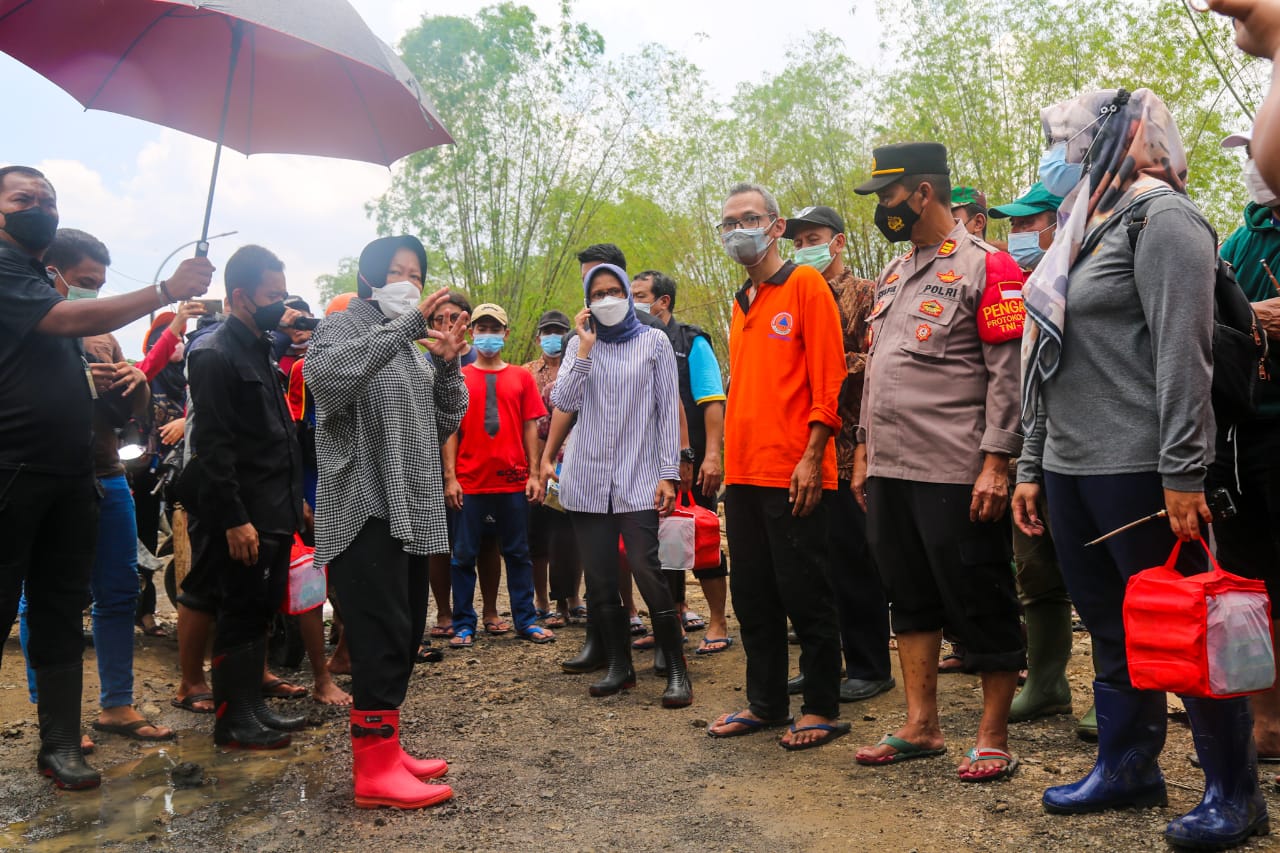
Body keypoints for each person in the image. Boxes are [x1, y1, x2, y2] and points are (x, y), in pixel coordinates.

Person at [1013, 88, 1268, 849]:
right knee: (1109, 623)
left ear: (1117, 137)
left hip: (1142, 467)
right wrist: (1031, 460)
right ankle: (1127, 765)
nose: (1061, 155)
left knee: (1186, 630)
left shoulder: (1165, 219)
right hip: (1070, 465)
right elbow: (1047, 359)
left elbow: (1180, 356)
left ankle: (1235, 792)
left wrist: (1184, 470)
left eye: (1070, 140)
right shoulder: (1079, 227)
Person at [0, 165, 212, 789]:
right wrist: (166, 291)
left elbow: (103, 391)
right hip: (11, 470)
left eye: (48, 199)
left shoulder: (42, 279)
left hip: (75, 475)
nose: (39, 207)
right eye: (22, 198)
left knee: (65, 607)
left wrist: (131, 387)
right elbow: (62, 320)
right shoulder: (10, 276)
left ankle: (61, 745)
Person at [850, 143, 1026, 781]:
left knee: (979, 593)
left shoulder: (992, 268)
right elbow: (878, 373)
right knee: (909, 596)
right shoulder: (897, 272)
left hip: (956, 468)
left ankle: (992, 734)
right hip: (892, 469)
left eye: (888, 197)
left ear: (922, 194)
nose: (882, 209)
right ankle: (921, 725)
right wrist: (865, 451)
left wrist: (998, 462)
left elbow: (1009, 374)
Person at [305, 234, 467, 810]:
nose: (409, 283)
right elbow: (326, 383)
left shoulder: (411, 349)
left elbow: (446, 417)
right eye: (397, 272)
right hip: (363, 506)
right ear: (371, 279)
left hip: (410, 508)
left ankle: (386, 747)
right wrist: (405, 328)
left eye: (417, 274)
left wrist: (448, 368)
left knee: (402, 631)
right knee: (375, 636)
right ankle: (372, 774)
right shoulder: (344, 328)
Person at [16, 229, 176, 746]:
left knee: (119, 589)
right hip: (43, 476)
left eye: (100, 285)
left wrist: (136, 383)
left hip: (106, 473)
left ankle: (117, 704)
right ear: (52, 274)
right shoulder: (25, 326)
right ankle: (53, 714)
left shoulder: (103, 335)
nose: (94, 295)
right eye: (86, 283)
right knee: (44, 597)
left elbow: (131, 413)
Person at [705, 182, 847, 750]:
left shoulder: (805, 283)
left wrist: (814, 456)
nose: (738, 229)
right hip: (743, 474)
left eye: (749, 218)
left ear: (775, 225)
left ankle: (820, 706)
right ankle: (764, 702)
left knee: (807, 592)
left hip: (793, 471)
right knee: (753, 597)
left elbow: (829, 376)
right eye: (728, 222)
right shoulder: (741, 302)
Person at [542, 263, 691, 707]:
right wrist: (584, 352)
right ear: (587, 301)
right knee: (602, 576)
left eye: (614, 290)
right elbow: (563, 402)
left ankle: (677, 668)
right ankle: (619, 667)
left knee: (648, 567)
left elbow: (668, 410)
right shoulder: (577, 345)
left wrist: (668, 472)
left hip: (638, 475)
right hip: (587, 478)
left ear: (627, 293)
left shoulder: (654, 342)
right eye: (598, 292)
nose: (607, 299)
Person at [184, 244, 307, 751]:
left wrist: (295, 498)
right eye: (273, 296)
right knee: (237, 609)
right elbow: (214, 445)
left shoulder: (261, 346)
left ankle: (253, 708)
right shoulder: (214, 353)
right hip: (244, 513)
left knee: (259, 609)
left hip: (275, 506)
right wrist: (235, 518)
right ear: (239, 296)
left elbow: (277, 433)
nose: (283, 305)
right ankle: (233, 720)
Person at [986, 182, 1097, 732]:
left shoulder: (1083, 277)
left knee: (1096, 576)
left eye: (1030, 223)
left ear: (1059, 222)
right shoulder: (1022, 288)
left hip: (1086, 451)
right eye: (1014, 225)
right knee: (1034, 571)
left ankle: (1113, 688)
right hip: (1034, 452)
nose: (1020, 235)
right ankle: (1048, 682)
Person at [782, 205, 894, 703]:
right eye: (799, 238)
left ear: (839, 241)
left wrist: (823, 362)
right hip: (800, 451)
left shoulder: (866, 293)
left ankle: (870, 665)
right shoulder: (789, 295)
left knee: (855, 565)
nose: (806, 245)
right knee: (813, 570)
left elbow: (881, 357)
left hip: (851, 448)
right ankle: (823, 663)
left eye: (815, 236)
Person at [1209, 128, 1280, 780]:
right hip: (1245, 437)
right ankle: (1266, 722)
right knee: (1250, 582)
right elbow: (1212, 318)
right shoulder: (1238, 241)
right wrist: (1248, 320)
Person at [630, 271, 731, 653]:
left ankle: (719, 622)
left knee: (700, 535)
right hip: (648, 464)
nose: (633, 302)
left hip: (692, 461)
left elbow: (711, 401)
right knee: (663, 541)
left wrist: (710, 456)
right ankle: (670, 618)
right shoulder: (635, 338)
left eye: (640, 295)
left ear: (663, 302)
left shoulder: (692, 342)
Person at [445, 303, 554, 647]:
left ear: (506, 334)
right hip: (470, 481)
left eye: (495, 329)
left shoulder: (521, 377)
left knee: (518, 552)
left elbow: (531, 428)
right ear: (471, 333)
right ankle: (464, 623)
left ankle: (525, 620)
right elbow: (450, 430)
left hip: (513, 480)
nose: (487, 335)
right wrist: (450, 477)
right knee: (463, 555)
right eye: (482, 328)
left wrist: (534, 473)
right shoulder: (458, 378)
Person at [521, 309, 584, 627]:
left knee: (569, 535)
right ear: (537, 338)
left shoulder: (577, 367)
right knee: (537, 535)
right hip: (534, 462)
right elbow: (525, 422)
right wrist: (535, 465)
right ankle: (541, 599)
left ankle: (572, 598)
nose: (553, 337)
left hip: (571, 463)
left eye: (559, 331)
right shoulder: (526, 372)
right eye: (547, 331)